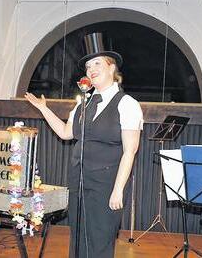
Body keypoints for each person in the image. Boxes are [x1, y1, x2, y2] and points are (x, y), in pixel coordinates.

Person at [25, 49, 143, 257]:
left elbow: (130, 151)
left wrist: (118, 190)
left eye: (97, 64)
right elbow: (65, 133)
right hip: (78, 181)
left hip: (106, 185)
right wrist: (43, 109)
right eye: (88, 67)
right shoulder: (83, 103)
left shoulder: (127, 104)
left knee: (99, 242)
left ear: (112, 67)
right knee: (78, 240)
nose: (91, 70)